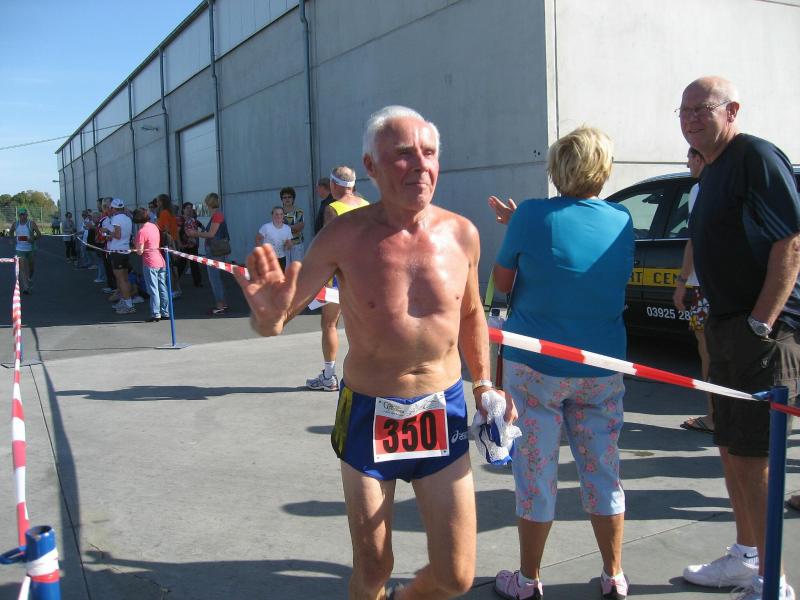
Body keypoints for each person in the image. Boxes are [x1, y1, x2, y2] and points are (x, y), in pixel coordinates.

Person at [237, 105, 515, 600]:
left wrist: (485, 385)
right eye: (404, 154)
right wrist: (266, 316)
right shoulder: (343, 236)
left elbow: (472, 314)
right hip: (369, 414)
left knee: (456, 576)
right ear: (371, 166)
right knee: (372, 568)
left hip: (442, 409)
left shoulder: (462, 234)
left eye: (429, 153)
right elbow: (277, 318)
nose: (421, 165)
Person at [488, 127, 634, 600]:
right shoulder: (622, 218)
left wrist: (518, 226)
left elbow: (503, 283)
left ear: (557, 167)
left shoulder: (531, 214)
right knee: (603, 468)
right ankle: (614, 574)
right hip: (603, 364)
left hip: (536, 365)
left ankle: (528, 579)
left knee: (535, 470)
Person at [678, 76, 798, 600]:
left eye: (701, 109)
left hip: (762, 334)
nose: (690, 119)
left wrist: (761, 321)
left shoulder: (755, 157)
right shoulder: (713, 170)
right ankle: (746, 557)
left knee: (755, 457)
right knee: (730, 448)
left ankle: (774, 582)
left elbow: (790, 242)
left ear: (732, 111)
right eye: (683, 111)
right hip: (727, 327)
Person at [305, 165, 368, 392]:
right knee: (363, 325)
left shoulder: (332, 208)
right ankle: (368, 374)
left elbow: (328, 248)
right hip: (365, 277)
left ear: (333, 185)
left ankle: (329, 376)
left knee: (330, 323)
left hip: (340, 277)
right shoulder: (367, 205)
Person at [672, 147, 714, 434]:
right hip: (734, 285)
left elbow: (694, 240)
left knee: (708, 351)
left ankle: (715, 417)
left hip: (704, 286)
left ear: (700, 158)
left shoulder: (700, 190)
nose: (688, 164)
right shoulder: (734, 183)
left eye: (690, 158)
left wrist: (681, 282)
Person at [185, 192, 230, 315]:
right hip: (216, 250)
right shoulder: (216, 215)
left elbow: (211, 234)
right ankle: (223, 303)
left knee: (214, 279)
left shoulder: (217, 216)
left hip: (214, 251)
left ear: (209, 203)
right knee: (217, 278)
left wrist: (195, 233)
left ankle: (220, 305)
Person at [133, 208, 169, 322]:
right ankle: (165, 312)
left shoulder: (141, 232)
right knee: (162, 287)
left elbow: (140, 251)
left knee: (153, 290)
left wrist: (135, 245)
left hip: (150, 262)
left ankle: (156, 314)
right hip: (160, 260)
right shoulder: (154, 226)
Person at [102, 198, 135, 314]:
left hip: (117, 251)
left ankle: (128, 305)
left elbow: (117, 235)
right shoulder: (127, 218)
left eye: (111, 208)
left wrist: (107, 232)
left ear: (113, 208)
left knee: (121, 280)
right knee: (124, 279)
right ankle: (125, 300)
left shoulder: (116, 218)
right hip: (124, 250)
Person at [10, 208, 41, 294]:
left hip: (31, 249)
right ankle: (25, 287)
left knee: (31, 268)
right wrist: (11, 239)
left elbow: (39, 234)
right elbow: (11, 232)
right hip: (19, 249)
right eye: (21, 215)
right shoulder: (15, 224)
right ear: (19, 216)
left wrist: (33, 238)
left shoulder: (31, 223)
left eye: (24, 214)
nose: (22, 216)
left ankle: (30, 278)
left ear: (27, 215)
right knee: (22, 268)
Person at [156, 193, 182, 299]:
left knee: (170, 267)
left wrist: (169, 244)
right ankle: (176, 289)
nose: (157, 203)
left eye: (158, 201)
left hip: (168, 242)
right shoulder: (169, 212)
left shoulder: (164, 213)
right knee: (173, 266)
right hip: (172, 240)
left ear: (162, 202)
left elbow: (166, 229)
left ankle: (173, 289)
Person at [255, 206, 293, 271]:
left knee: (280, 276)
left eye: (281, 214)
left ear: (283, 215)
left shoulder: (287, 228)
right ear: (272, 215)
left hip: (281, 258)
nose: (279, 216)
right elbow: (257, 239)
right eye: (276, 214)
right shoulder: (266, 227)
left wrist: (288, 245)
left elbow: (289, 245)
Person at [177, 201, 203, 287]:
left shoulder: (193, 220)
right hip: (184, 245)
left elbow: (198, 229)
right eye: (187, 208)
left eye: (191, 208)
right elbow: (177, 232)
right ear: (183, 209)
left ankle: (197, 282)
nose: (189, 210)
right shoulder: (180, 219)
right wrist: (179, 243)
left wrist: (197, 241)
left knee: (194, 264)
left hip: (193, 245)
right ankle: (174, 281)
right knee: (182, 264)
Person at [280, 187, 305, 263]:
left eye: (289, 197)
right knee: (285, 268)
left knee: (297, 267)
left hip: (297, 245)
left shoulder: (299, 211)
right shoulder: (278, 213)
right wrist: (292, 227)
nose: (287, 199)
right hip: (283, 246)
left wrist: (285, 227)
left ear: (293, 199)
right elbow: (277, 228)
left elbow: (299, 227)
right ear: (282, 199)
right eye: (284, 197)